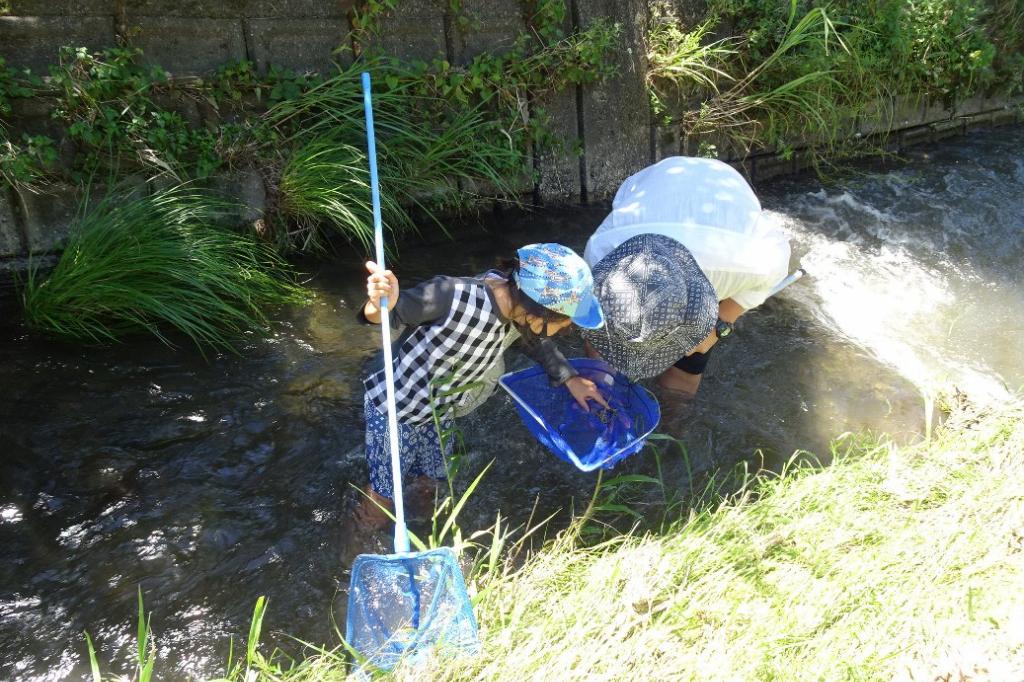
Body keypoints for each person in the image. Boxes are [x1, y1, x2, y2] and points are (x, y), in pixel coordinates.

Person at [352, 243, 608, 533]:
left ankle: (426, 525)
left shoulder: (517, 306)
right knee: (386, 491)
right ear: (538, 316)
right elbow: (386, 314)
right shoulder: (450, 295)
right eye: (565, 324)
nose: (565, 331)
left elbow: (533, 340)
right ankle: (358, 540)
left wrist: (569, 377)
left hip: (440, 410)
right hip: (396, 409)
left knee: (433, 478)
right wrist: (379, 302)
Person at [581, 156, 791, 398]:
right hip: (655, 184)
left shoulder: (750, 265)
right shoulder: (602, 253)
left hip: (727, 203)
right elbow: (595, 320)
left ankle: (674, 424)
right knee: (601, 344)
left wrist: (719, 326)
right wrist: (600, 374)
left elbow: (777, 263)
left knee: (687, 369)